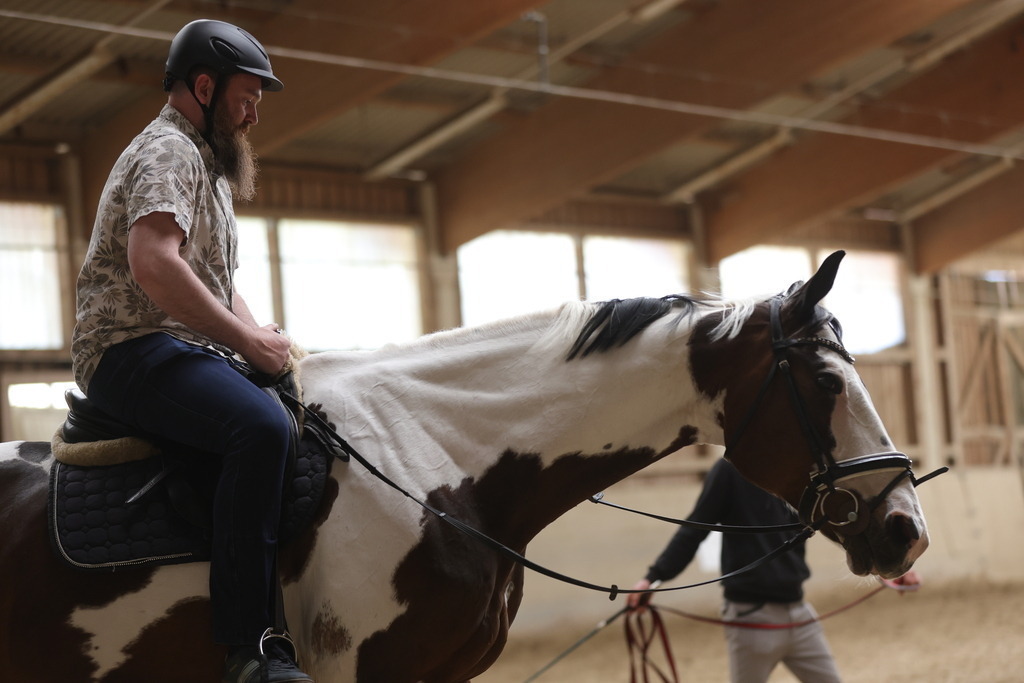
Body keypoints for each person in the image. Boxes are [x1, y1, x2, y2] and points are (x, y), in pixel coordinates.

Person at [71, 19, 312, 683]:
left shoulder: (207, 168)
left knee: (290, 405)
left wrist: (264, 342)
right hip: (129, 346)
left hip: (180, 346)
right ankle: (248, 648)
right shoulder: (171, 153)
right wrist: (244, 344)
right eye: (247, 94)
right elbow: (152, 262)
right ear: (204, 87)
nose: (255, 110)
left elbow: (215, 282)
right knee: (258, 427)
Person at [626, 458, 920, 683]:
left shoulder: (799, 474)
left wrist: (883, 566)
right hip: (750, 618)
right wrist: (653, 578)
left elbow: (835, 526)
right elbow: (693, 531)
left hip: (800, 614)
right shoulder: (729, 471)